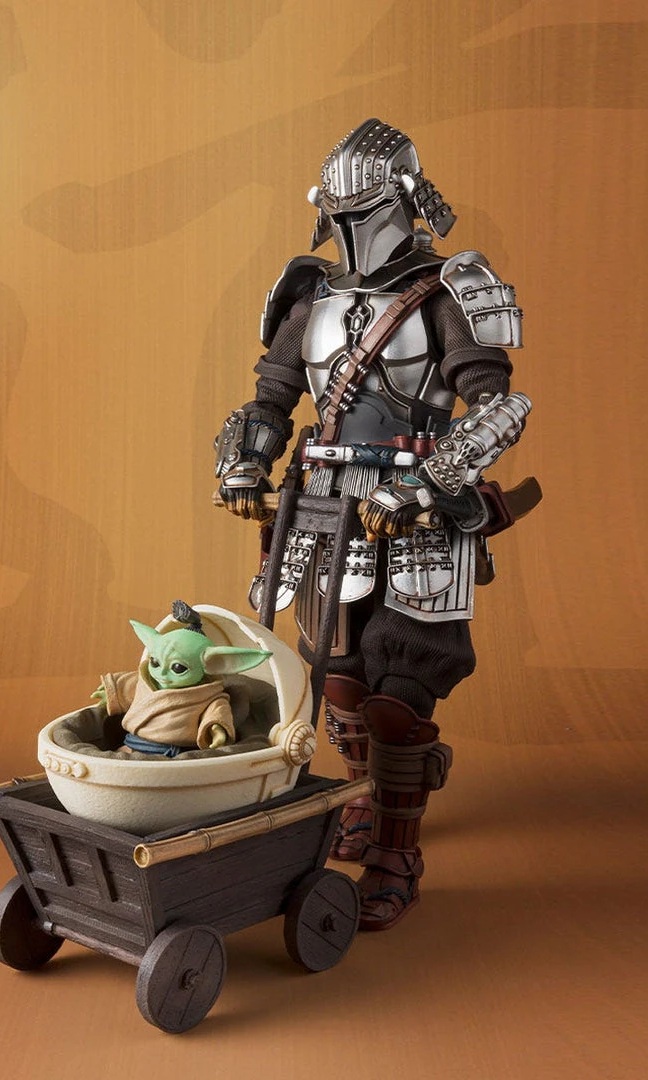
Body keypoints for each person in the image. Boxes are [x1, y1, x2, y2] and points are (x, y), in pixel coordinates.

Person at [214, 118, 533, 930]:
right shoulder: (310, 295)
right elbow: (271, 397)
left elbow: (499, 407)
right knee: (338, 678)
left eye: (365, 212)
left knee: (402, 680)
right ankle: (373, 792)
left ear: (403, 200)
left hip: (417, 509)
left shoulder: (452, 290)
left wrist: (427, 482)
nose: (351, 229)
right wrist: (245, 464)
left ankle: (397, 850)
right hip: (324, 503)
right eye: (341, 215)